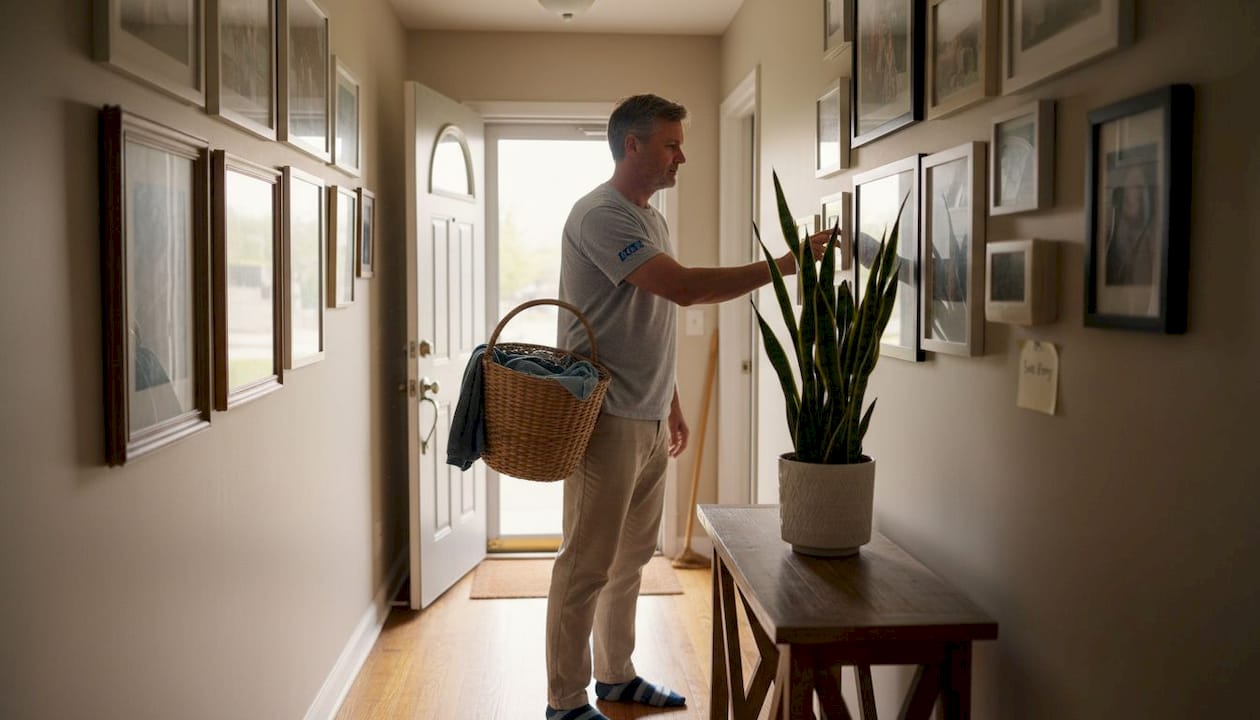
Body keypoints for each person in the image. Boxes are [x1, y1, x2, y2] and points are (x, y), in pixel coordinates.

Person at [544, 93, 833, 720]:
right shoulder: (600, 215)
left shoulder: (653, 218)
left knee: (630, 560)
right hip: (604, 418)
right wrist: (785, 265)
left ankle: (616, 678)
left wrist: (669, 403)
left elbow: (647, 320)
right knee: (585, 563)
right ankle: (563, 703)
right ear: (633, 146)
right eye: (672, 144)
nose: (683, 156)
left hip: (645, 414)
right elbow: (684, 290)